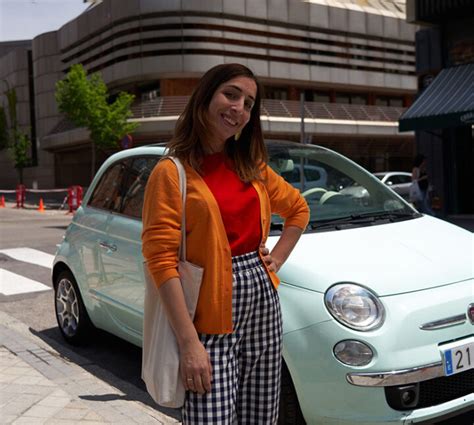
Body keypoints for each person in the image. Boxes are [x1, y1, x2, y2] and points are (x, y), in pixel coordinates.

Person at [141, 63, 309, 424]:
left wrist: (275, 260)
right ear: (205, 97)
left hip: (263, 301)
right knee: (210, 416)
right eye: (231, 94)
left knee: (261, 415)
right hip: (208, 315)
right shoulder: (172, 173)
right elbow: (161, 260)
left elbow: (298, 210)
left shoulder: (251, 165)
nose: (239, 109)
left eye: (249, 103)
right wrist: (189, 343)